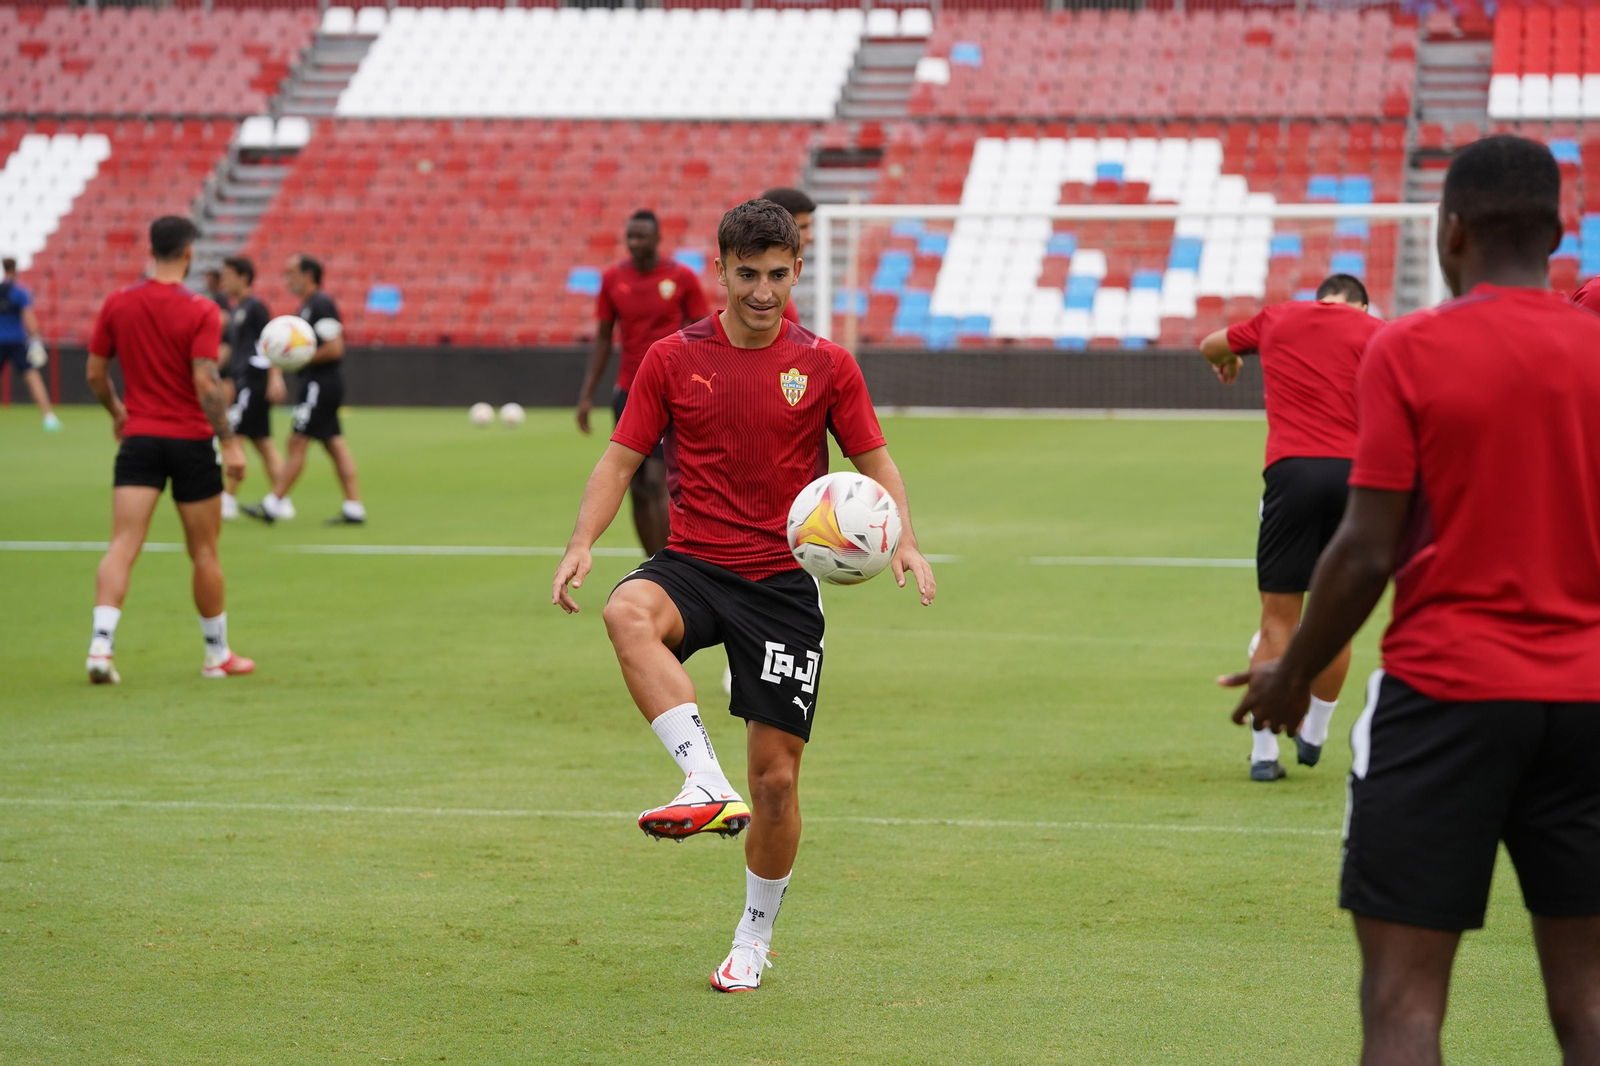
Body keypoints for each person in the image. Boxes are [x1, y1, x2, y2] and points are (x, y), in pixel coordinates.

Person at [1222, 135, 1600, 1065]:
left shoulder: (1411, 347)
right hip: (1589, 703)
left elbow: (1364, 547)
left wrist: (1292, 674)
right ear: (1558, 234)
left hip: (1447, 699)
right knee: (1590, 999)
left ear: (1451, 230)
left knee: (1403, 1005)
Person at [551, 199, 936, 993]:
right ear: (720, 270)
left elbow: (875, 461)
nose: (764, 292)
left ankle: (753, 936)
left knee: (777, 782)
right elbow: (621, 461)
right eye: (748, 274)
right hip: (694, 561)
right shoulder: (670, 358)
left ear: (797, 271)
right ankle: (702, 781)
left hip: (783, 584)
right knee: (627, 611)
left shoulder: (827, 364)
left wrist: (906, 539)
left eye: (778, 275)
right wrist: (582, 541)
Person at [1199, 274, 1384, 781]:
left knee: (1277, 619)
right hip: (1356, 476)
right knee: (1336, 615)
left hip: (1290, 473)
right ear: (1362, 305)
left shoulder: (1279, 317)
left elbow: (1210, 344)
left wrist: (1227, 360)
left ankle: (1263, 754)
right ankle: (1316, 733)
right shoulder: (1377, 332)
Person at [83, 216, 255, 683]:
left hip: (139, 439)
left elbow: (96, 375)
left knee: (122, 544)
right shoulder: (200, 309)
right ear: (188, 253)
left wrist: (118, 411)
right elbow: (205, 378)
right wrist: (232, 442)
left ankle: (101, 645)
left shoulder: (118, 303)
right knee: (204, 551)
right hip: (191, 441)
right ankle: (217, 655)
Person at [575, 209, 709, 557]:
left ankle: (671, 562)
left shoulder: (682, 278)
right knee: (635, 486)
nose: (634, 243)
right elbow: (604, 339)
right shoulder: (612, 279)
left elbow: (704, 334)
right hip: (628, 391)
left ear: (657, 238)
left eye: (641, 236)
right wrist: (587, 395)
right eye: (630, 237)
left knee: (657, 479)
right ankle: (652, 562)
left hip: (673, 392)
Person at [244, 254, 364, 526]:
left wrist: (297, 358)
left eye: (290, 273)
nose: (286, 279)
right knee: (334, 443)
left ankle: (273, 504)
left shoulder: (321, 304)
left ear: (308, 275)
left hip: (320, 384)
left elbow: (335, 347)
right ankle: (354, 507)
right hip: (319, 383)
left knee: (297, 441)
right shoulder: (308, 307)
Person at [216, 256, 284, 521]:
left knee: (235, 437)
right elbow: (232, 350)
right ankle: (282, 499)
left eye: (228, 274)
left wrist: (274, 376)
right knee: (263, 442)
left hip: (255, 381)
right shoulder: (237, 310)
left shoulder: (255, 307)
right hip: (244, 380)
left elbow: (271, 343)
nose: (224, 280)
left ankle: (228, 498)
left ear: (243, 277)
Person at [0, 256, 61, 431]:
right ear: (15, 269)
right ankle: (48, 416)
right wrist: (36, 340)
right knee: (32, 377)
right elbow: (30, 321)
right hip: (17, 341)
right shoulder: (19, 292)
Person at [760, 187, 816, 328]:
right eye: (803, 227)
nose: (810, 237)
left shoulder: (777, 291)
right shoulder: (764, 297)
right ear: (777, 228)